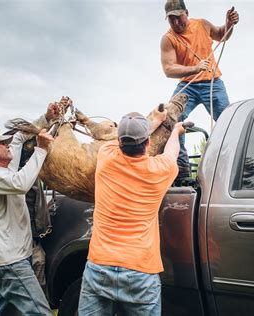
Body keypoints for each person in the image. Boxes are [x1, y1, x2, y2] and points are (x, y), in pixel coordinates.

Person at [78, 106, 185, 315]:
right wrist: (176, 131)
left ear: (119, 142)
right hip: (140, 271)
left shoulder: (106, 156)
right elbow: (172, 153)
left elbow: (124, 142)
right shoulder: (161, 169)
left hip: (99, 265)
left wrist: (153, 121)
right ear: (147, 142)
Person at [0, 102, 62, 315]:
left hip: (5, 261)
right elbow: (21, 183)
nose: (7, 145)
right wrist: (41, 149)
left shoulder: (4, 171)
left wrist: (47, 118)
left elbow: (20, 137)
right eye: (1, 143)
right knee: (41, 312)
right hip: (11, 263)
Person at [160, 0, 239, 178]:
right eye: (171, 19)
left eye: (178, 17)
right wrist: (195, 68)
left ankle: (231, 160)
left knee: (227, 121)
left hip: (213, 82)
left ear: (186, 12)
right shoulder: (168, 39)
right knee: (171, 119)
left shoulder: (202, 24)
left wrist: (229, 23)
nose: (176, 23)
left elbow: (222, 35)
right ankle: (181, 165)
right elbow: (169, 69)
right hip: (187, 85)